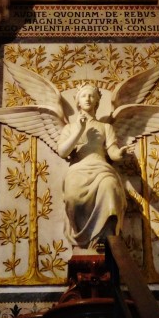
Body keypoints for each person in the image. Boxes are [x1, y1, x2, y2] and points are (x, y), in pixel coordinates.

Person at [56, 84, 129, 249]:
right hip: (78, 170)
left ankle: (105, 239)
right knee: (73, 199)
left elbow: (112, 153)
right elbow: (62, 152)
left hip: (102, 169)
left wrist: (121, 153)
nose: (88, 99)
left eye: (91, 96)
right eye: (84, 96)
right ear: (78, 102)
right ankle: (84, 240)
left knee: (110, 187)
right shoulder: (70, 128)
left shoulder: (106, 127)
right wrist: (79, 130)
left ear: (96, 102)